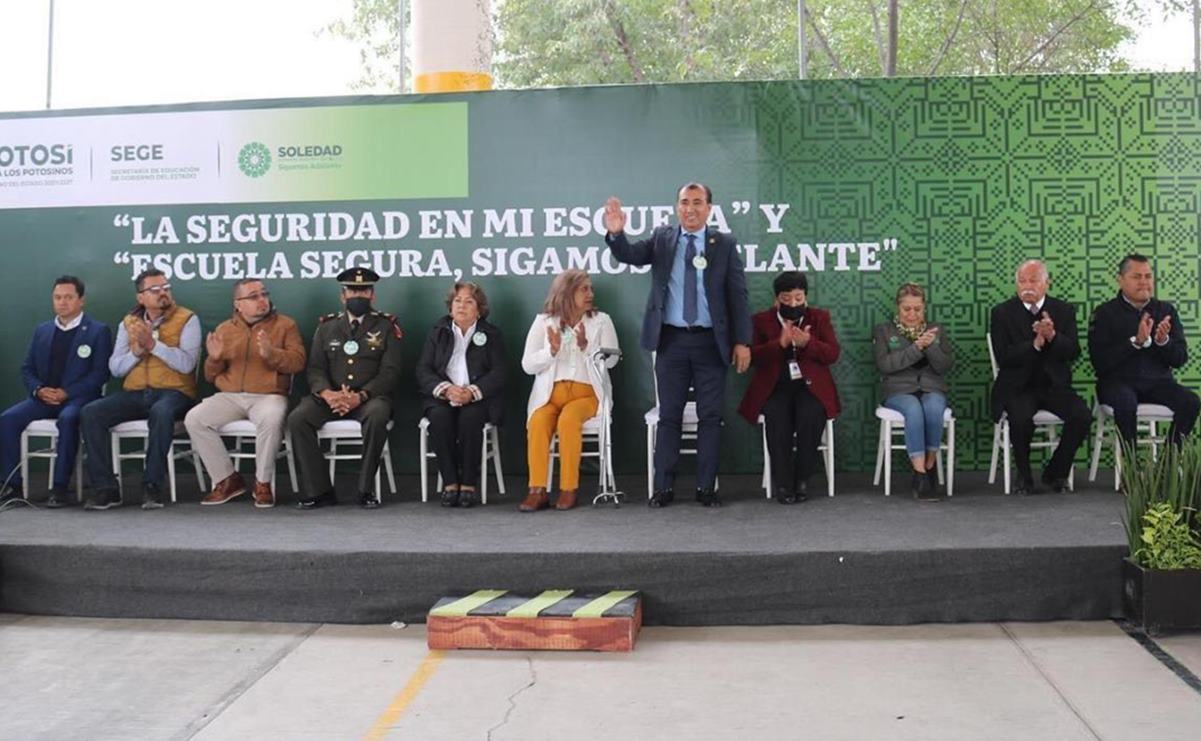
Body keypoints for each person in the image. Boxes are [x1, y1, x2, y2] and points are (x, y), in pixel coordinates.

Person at [603, 183, 751, 508]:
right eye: (685, 202)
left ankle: (705, 488)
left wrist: (742, 341)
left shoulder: (723, 244)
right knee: (669, 415)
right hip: (671, 341)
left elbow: (738, 296)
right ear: (676, 207)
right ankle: (664, 487)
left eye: (698, 203)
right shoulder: (663, 239)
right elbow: (631, 255)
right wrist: (616, 235)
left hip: (711, 343)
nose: (690, 209)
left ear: (709, 209)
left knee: (710, 417)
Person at [80, 268, 201, 510]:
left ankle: (152, 485)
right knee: (91, 412)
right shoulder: (129, 323)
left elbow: (187, 364)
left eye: (166, 287)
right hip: (135, 393)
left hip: (174, 393)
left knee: (162, 411)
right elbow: (116, 368)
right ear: (141, 298)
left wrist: (153, 345)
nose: (163, 293)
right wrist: (137, 351)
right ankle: (106, 489)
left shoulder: (188, 319)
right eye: (155, 290)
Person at [286, 267, 402, 509]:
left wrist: (360, 396)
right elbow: (315, 369)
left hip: (368, 399)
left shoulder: (386, 326)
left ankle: (365, 490)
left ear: (373, 295)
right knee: (298, 418)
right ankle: (319, 491)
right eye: (352, 291)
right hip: (330, 398)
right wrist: (328, 394)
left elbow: (389, 372)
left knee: (378, 414)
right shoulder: (326, 327)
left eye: (363, 291)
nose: (357, 296)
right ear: (342, 296)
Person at [184, 279, 306, 509]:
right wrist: (214, 358)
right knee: (195, 418)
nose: (262, 300)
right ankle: (227, 479)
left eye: (264, 294)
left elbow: (298, 362)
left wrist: (272, 354)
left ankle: (263, 483)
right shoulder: (224, 329)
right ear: (238, 304)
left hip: (268, 395)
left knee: (271, 419)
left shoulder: (285, 325)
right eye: (254, 296)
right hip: (230, 396)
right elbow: (211, 377)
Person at [0, 276, 112, 507]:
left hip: (78, 400)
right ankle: (12, 486)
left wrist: (67, 393)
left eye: (69, 297)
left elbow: (100, 374)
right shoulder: (42, 330)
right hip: (43, 398)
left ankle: (59, 487)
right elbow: (27, 368)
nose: (62, 302)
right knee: (7, 420)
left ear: (81, 300)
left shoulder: (97, 331)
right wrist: (38, 389)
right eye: (58, 297)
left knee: (69, 418)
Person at [519, 270, 619, 512]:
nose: (590, 294)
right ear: (566, 292)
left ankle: (568, 489)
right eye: (584, 289)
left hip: (588, 395)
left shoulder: (601, 320)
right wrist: (550, 352)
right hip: (550, 396)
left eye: (590, 289)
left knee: (568, 420)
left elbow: (612, 360)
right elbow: (527, 365)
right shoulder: (544, 322)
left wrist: (586, 347)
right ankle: (537, 490)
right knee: (538, 421)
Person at [737, 271, 840, 504]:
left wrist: (808, 343)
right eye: (786, 299)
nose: (793, 303)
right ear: (776, 300)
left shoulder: (819, 318)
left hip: (810, 388)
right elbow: (753, 357)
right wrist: (779, 344)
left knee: (810, 414)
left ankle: (802, 480)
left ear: (805, 297)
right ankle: (784, 484)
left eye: (798, 297)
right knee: (777, 417)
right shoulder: (761, 321)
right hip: (776, 388)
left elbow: (833, 354)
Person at [990, 260, 1091, 495]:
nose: (1027, 286)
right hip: (1018, 386)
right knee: (1021, 417)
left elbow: (1074, 352)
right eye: (1022, 281)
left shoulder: (1064, 311)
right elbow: (1003, 356)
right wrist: (1034, 345)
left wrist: (1053, 336)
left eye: (1033, 281)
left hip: (1055, 386)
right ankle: (1024, 477)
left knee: (1082, 416)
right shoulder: (1002, 313)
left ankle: (1056, 471)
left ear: (1046, 283)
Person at [1088, 253, 1198, 447]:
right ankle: (1131, 470)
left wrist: (1164, 342)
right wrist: (1135, 342)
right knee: (1125, 401)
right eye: (1137, 277)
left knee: (1191, 402)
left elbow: (1180, 359)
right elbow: (1100, 362)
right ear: (1120, 280)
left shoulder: (1166, 311)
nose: (1144, 282)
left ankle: (1167, 465)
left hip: (1158, 383)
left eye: (1148, 276)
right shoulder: (1104, 313)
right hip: (1117, 384)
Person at [415, 281, 507, 508]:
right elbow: (423, 370)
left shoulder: (491, 334)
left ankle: (468, 484)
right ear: (450, 307)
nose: (462, 306)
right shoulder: (438, 332)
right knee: (439, 418)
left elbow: (499, 372)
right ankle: (449, 482)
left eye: (469, 302)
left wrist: (472, 392)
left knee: (470, 418)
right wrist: (446, 390)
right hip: (443, 397)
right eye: (457, 301)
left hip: (477, 399)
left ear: (479, 309)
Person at [873, 283, 953, 500]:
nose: (912, 314)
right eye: (906, 309)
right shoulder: (884, 330)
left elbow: (944, 366)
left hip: (931, 388)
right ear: (898, 307)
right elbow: (885, 365)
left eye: (917, 309)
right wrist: (916, 348)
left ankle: (928, 466)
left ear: (924, 307)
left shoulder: (936, 330)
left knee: (934, 406)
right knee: (913, 409)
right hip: (899, 391)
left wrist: (931, 346)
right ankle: (920, 474)